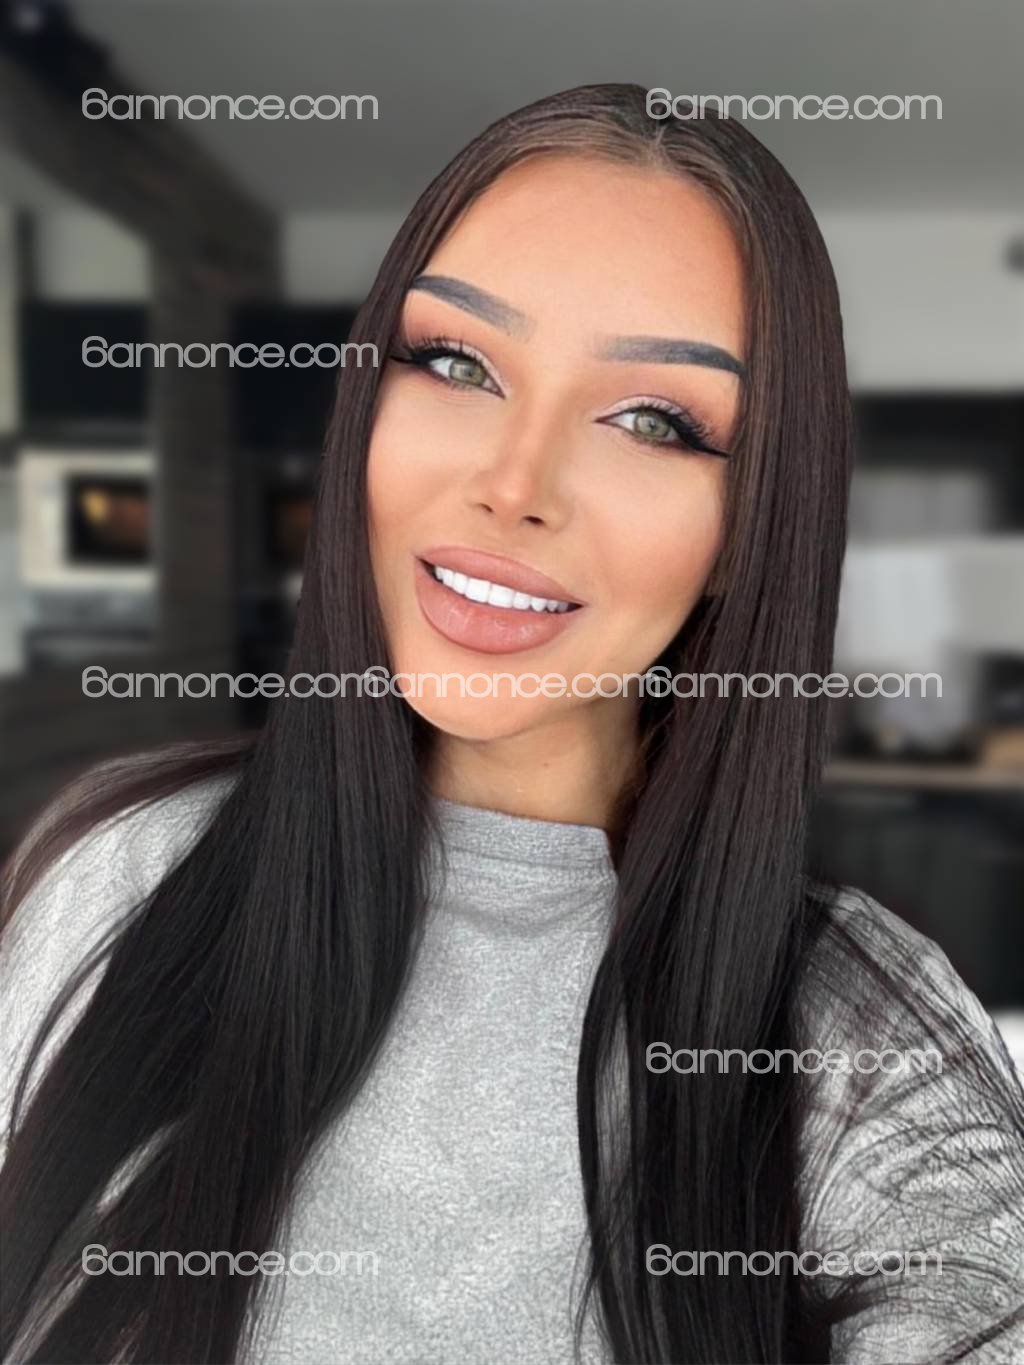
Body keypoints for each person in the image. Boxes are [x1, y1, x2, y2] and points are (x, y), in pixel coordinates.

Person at [2, 83, 1022, 1365]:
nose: (513, 483)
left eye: (653, 421)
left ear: (748, 530)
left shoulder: (858, 1039)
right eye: (455, 363)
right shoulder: (125, 862)